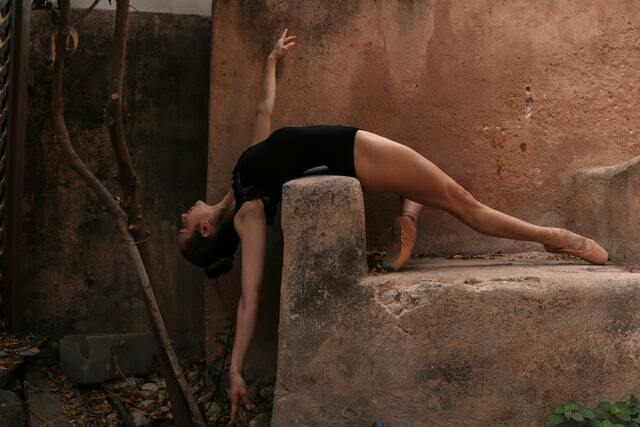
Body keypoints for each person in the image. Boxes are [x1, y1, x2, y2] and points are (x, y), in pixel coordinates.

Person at [178, 29, 608, 423]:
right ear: (204, 231)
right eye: (183, 227)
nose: (182, 217)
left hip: (354, 147)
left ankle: (410, 213)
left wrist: (271, 61)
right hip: (355, 154)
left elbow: (263, 111)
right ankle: (551, 238)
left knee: (432, 190)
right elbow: (250, 297)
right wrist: (235, 369)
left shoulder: (241, 180)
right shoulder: (249, 213)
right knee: (463, 203)